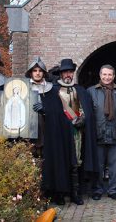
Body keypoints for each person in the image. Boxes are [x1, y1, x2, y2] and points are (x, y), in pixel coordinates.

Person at [25, 57, 78, 205]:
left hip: (49, 132)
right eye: (34, 71)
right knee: (33, 163)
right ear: (30, 73)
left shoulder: (52, 90)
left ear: (43, 73)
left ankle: (54, 192)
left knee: (52, 161)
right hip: (31, 132)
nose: (37, 73)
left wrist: (45, 110)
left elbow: (58, 112)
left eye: (40, 71)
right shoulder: (24, 88)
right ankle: (34, 195)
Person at [54, 58, 98, 205]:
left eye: (70, 72)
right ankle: (61, 193)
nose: (68, 74)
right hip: (60, 133)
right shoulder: (55, 91)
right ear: (61, 74)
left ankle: (75, 193)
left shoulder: (80, 90)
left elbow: (87, 111)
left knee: (76, 162)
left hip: (77, 132)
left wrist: (83, 119)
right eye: (65, 72)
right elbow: (54, 112)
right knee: (62, 161)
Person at [87, 64, 116, 201]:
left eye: (110, 75)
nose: (107, 77)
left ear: (114, 76)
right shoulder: (91, 91)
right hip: (98, 133)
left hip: (115, 132)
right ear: (100, 75)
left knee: (114, 165)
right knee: (98, 164)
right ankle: (97, 189)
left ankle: (113, 190)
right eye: (104, 74)